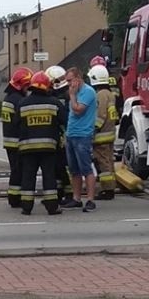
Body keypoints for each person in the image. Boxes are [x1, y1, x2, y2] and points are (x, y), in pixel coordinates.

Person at [18, 71, 66, 216]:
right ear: (47, 86)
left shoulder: (22, 104)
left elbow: (15, 125)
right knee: (49, 177)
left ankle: (26, 207)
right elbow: (64, 121)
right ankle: (52, 207)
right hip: (48, 148)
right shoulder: (54, 103)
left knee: (28, 177)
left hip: (27, 149)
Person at [61, 67, 98, 212]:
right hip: (72, 134)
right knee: (74, 169)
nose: (69, 84)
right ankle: (76, 198)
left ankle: (90, 199)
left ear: (78, 78)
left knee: (86, 168)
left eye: (70, 81)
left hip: (83, 135)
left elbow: (78, 109)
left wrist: (72, 95)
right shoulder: (76, 92)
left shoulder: (87, 92)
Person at [1, 67, 33, 208]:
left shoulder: (8, 98)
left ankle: (13, 197)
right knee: (20, 171)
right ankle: (16, 199)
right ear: (21, 85)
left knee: (15, 171)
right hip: (18, 141)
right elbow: (22, 122)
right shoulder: (19, 101)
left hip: (9, 141)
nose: (28, 88)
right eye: (27, 85)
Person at [88, 65, 119, 200]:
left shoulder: (100, 95)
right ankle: (110, 186)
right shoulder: (110, 94)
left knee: (103, 162)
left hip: (101, 136)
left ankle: (108, 190)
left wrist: (93, 129)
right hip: (110, 133)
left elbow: (100, 115)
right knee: (109, 162)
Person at [44, 65, 73, 203]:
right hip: (62, 135)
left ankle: (67, 193)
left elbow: (63, 119)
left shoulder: (59, 97)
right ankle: (61, 192)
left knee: (61, 167)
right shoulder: (67, 94)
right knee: (58, 167)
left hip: (61, 136)